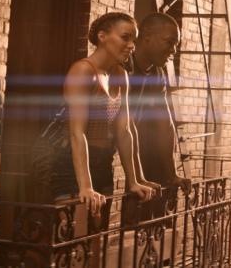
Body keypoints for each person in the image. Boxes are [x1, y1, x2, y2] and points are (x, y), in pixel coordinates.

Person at [49, 12, 159, 223]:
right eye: (125, 37)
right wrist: (86, 186)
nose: (131, 45)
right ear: (102, 36)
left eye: (133, 40)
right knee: (72, 238)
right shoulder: (83, 71)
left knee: (96, 237)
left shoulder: (120, 74)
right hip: (72, 167)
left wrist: (134, 180)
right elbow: (76, 131)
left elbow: (125, 130)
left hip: (103, 164)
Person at [128, 13, 190, 198]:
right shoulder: (122, 67)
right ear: (146, 36)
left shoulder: (157, 73)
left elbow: (165, 125)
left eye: (176, 45)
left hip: (122, 149)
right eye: (169, 42)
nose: (174, 50)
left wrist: (172, 175)